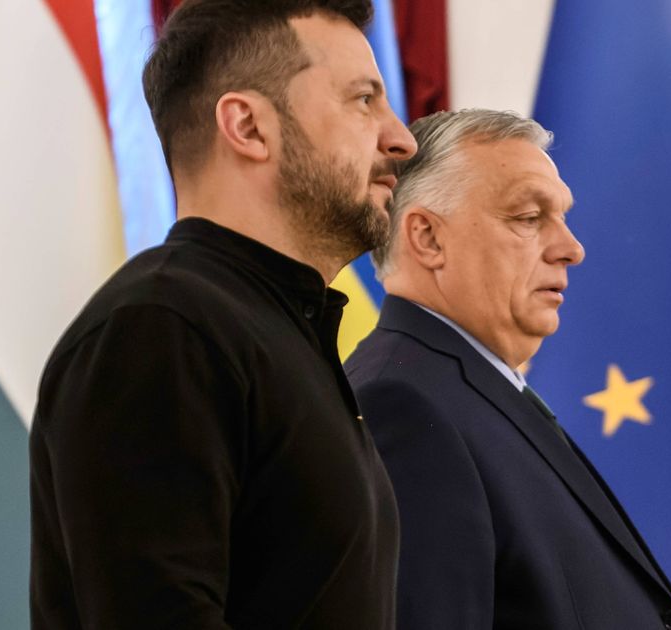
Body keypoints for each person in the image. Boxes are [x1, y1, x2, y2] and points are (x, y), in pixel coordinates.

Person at [28, 1, 416, 627]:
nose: (402, 138)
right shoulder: (161, 328)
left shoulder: (277, 329)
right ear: (248, 126)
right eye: (363, 100)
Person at [345, 109, 671, 629]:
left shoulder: (467, 388)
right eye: (529, 218)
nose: (572, 249)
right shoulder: (403, 405)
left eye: (563, 217)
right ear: (428, 238)